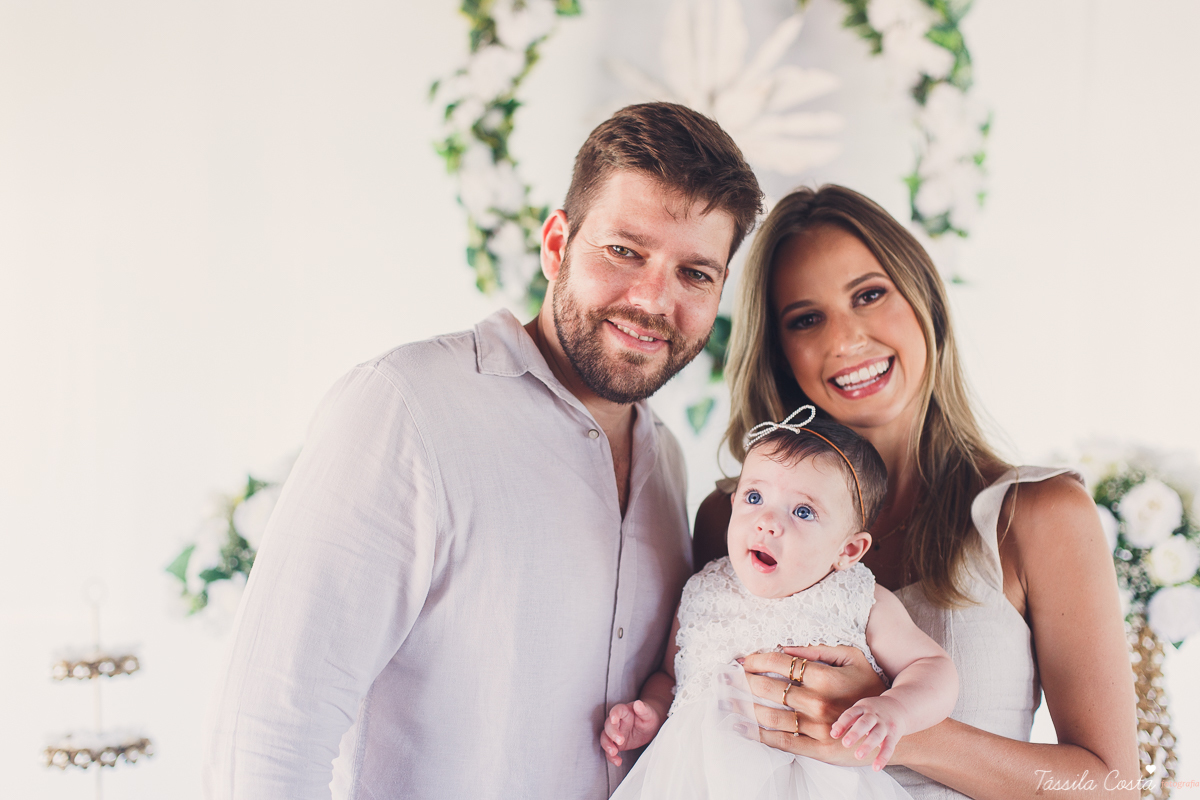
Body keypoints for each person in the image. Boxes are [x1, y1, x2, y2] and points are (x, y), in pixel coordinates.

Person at [201, 102, 764, 800]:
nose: (653, 299)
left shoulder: (667, 459)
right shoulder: (406, 407)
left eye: (695, 274)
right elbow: (270, 734)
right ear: (557, 244)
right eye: (625, 251)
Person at [691, 185, 1139, 798]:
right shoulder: (731, 518)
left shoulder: (1038, 515)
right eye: (806, 319)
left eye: (869, 295)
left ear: (924, 299)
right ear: (779, 350)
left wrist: (899, 727)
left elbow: (1110, 786)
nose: (845, 339)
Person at [602, 410, 958, 799]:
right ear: (735, 501)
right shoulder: (702, 590)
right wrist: (650, 712)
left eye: (803, 511)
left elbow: (933, 667)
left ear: (848, 549)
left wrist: (896, 711)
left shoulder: (856, 597)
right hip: (697, 781)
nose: (767, 521)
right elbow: (671, 677)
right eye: (755, 497)